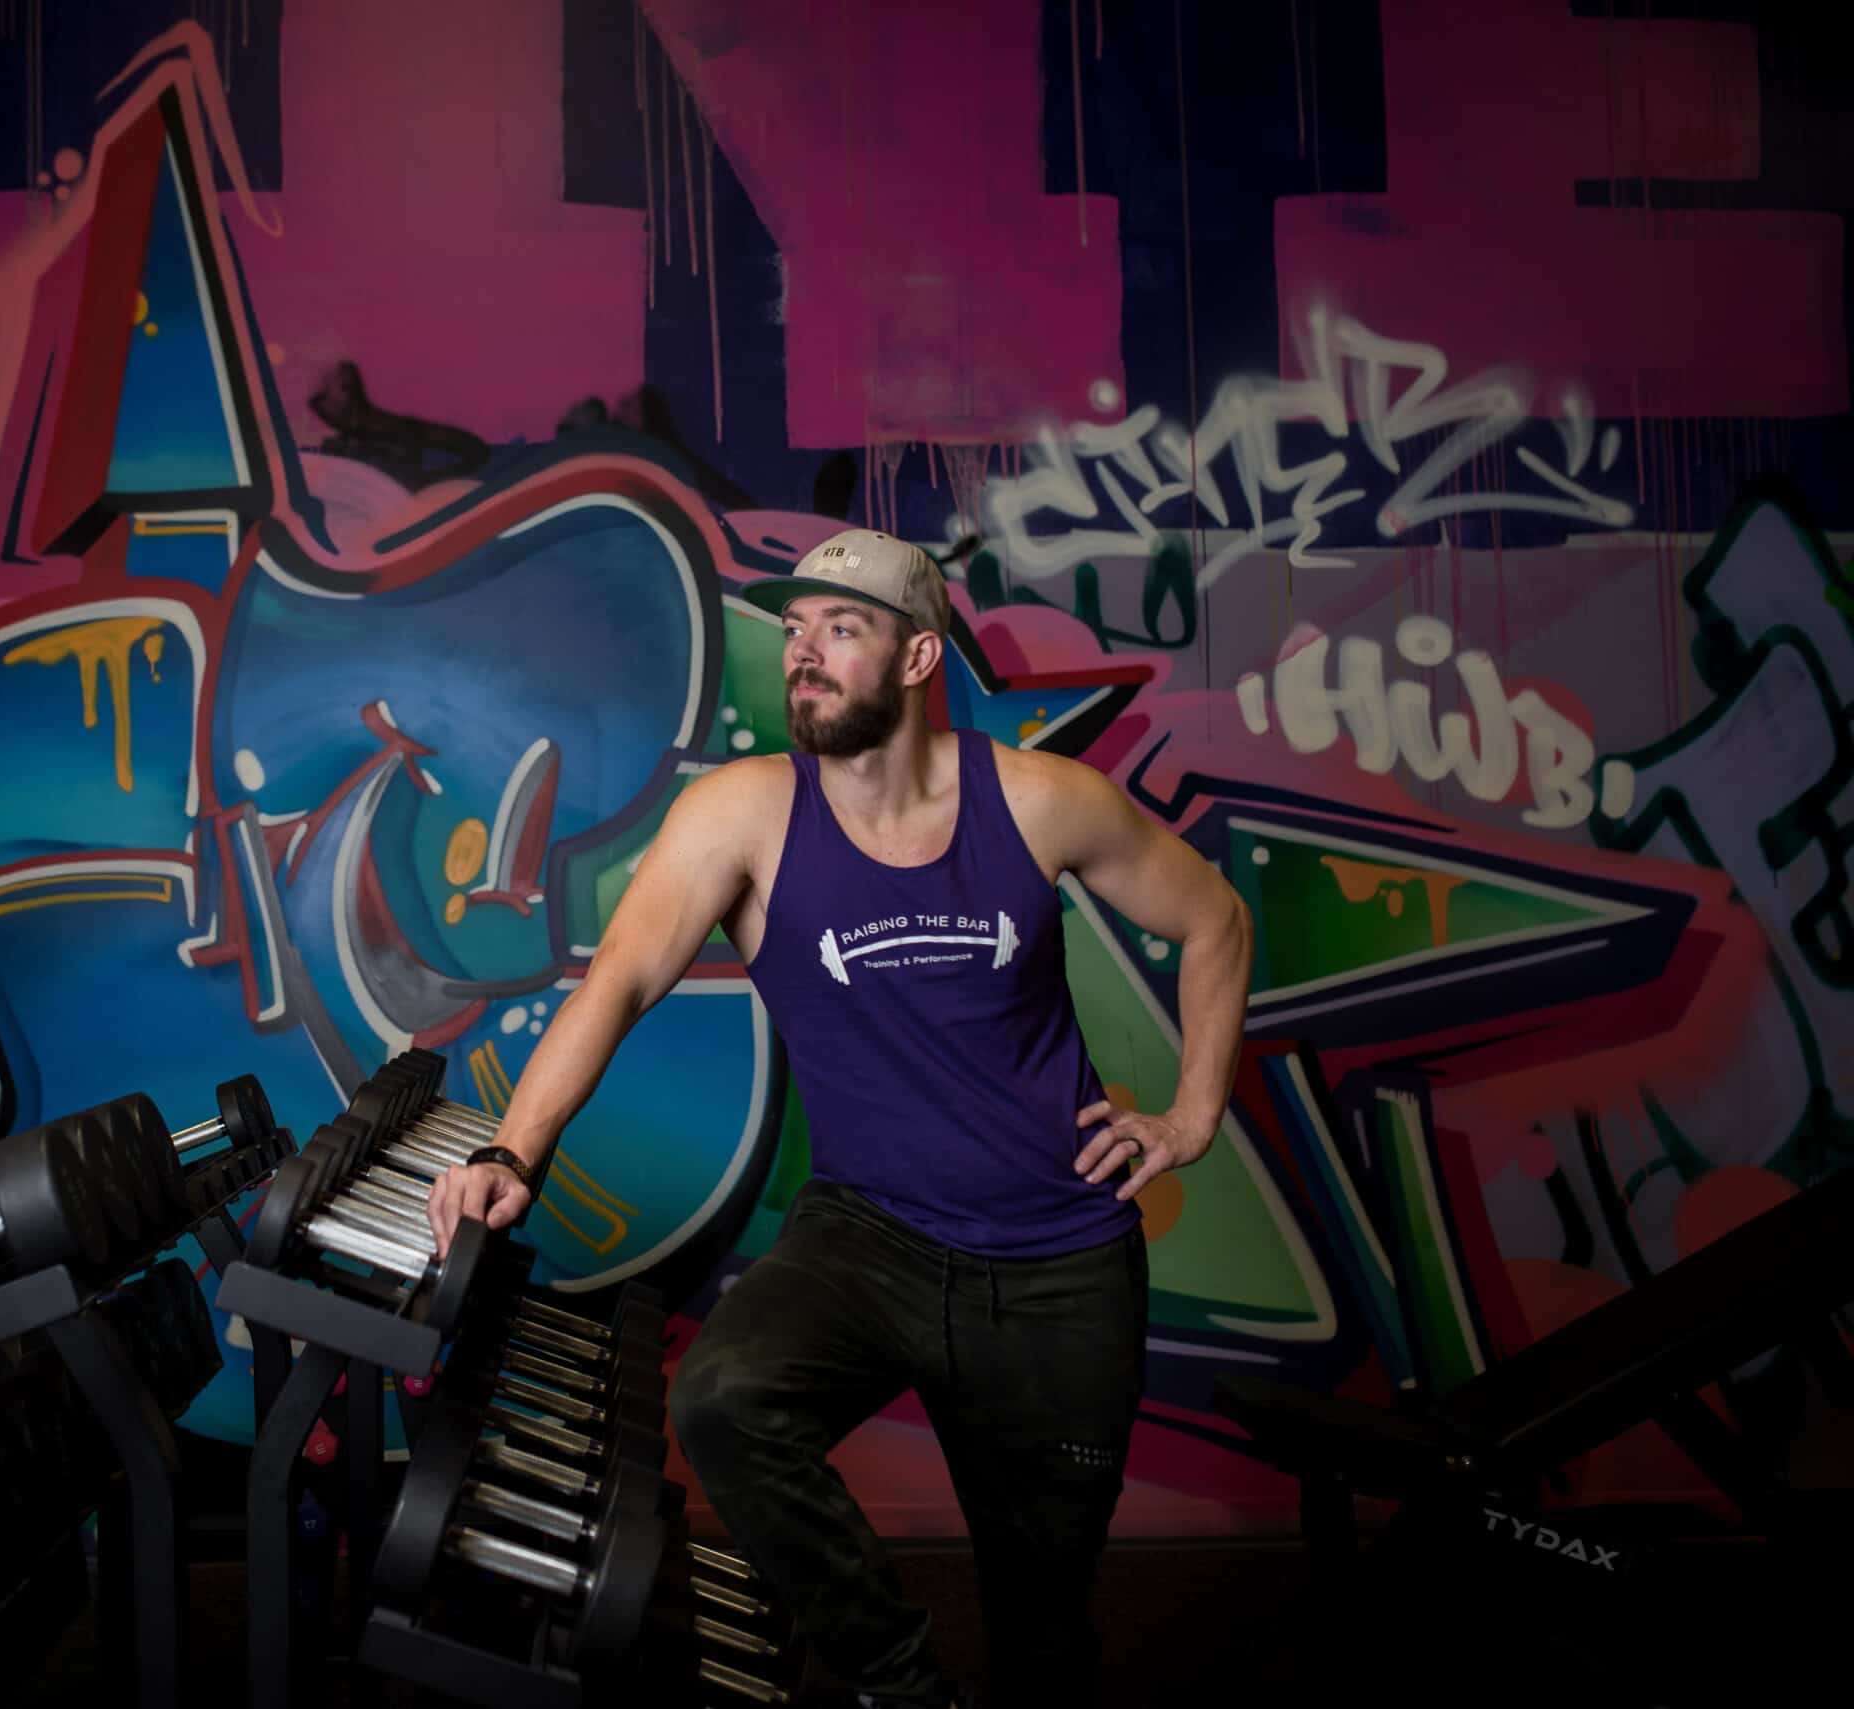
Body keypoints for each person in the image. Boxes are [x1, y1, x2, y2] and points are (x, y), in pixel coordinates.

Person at [426, 528, 1252, 1708]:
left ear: (918, 657)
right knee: (723, 1399)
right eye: (796, 628)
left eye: (841, 630)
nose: (801, 655)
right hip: (872, 1238)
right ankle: (899, 1686)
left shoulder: (1038, 801)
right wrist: (515, 1146)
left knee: (1045, 1626)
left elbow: (1214, 918)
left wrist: (1191, 1114)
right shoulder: (745, 813)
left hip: (1061, 1267)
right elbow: (614, 978)